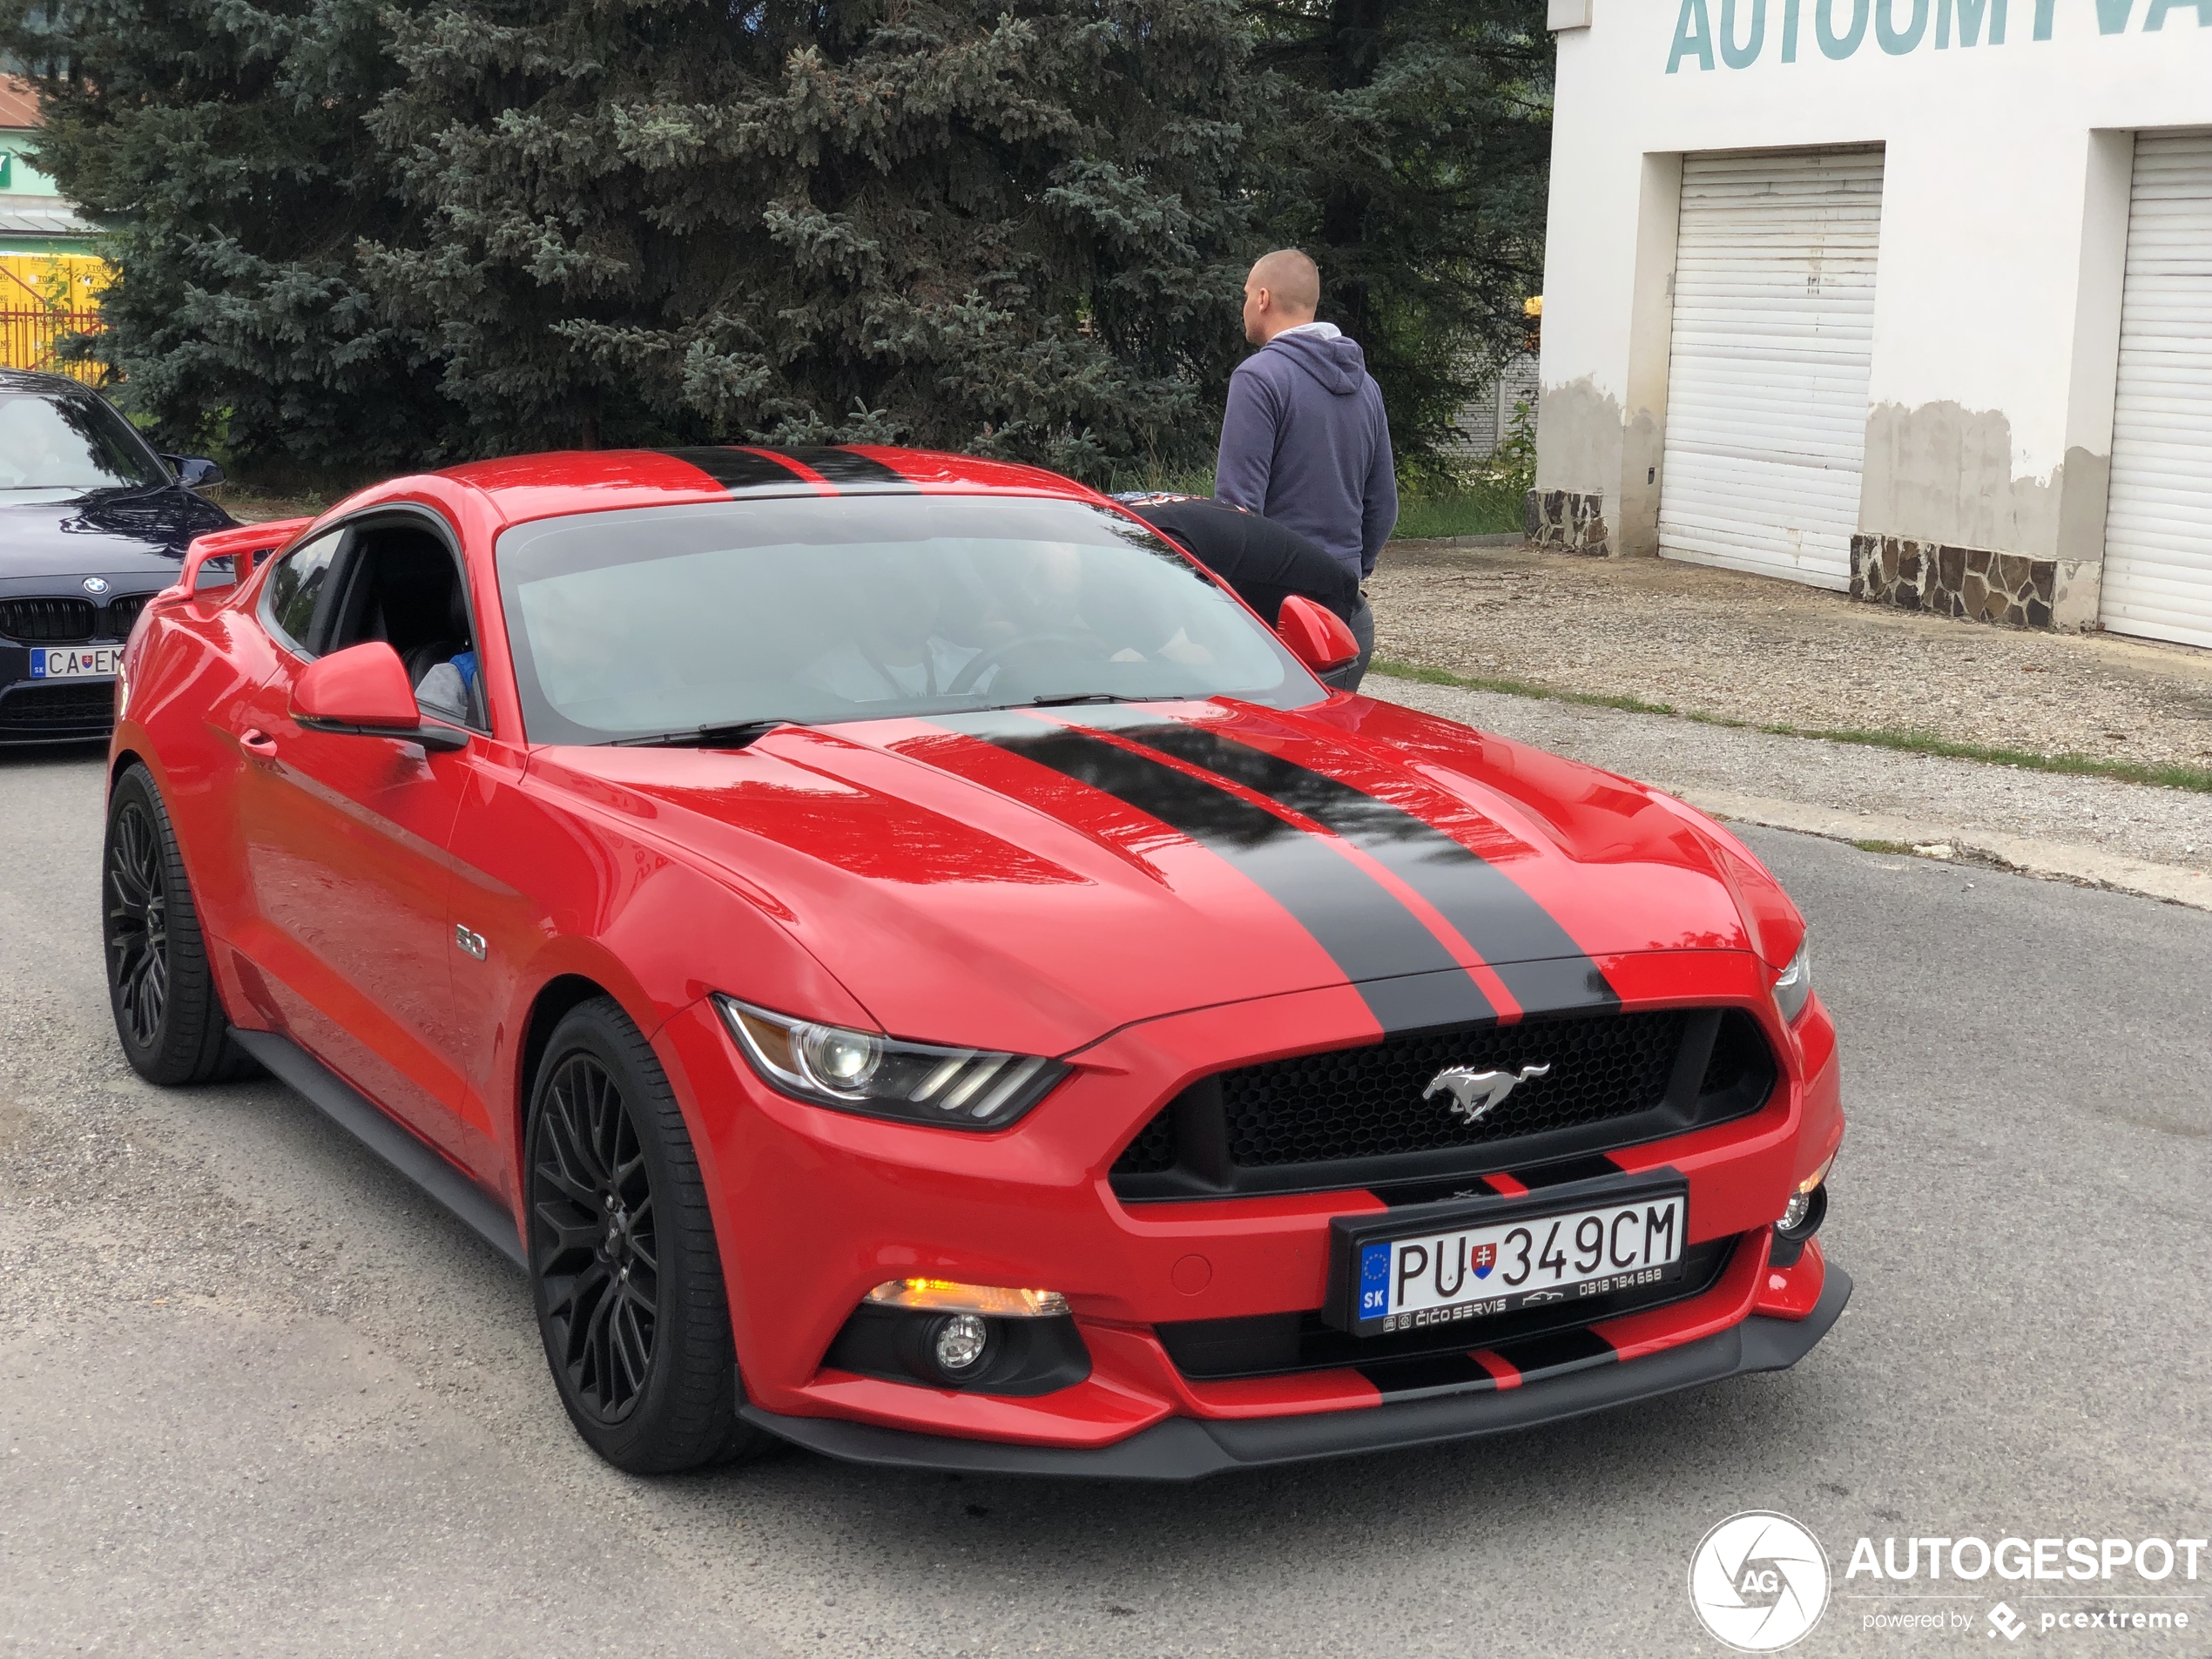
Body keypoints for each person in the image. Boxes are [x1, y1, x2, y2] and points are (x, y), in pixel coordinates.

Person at [1214, 248, 1395, 685]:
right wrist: (1348, 571)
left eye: (1244, 296)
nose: (1243, 308)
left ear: (1262, 298)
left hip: (1275, 617)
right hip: (1342, 616)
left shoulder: (1259, 378)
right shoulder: (1366, 388)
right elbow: (1383, 506)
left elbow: (1237, 513)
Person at [1111, 492, 1366, 691]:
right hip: (1259, 612)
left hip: (1328, 618)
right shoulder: (1102, 520)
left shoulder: (1153, 545)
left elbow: (1202, 648)